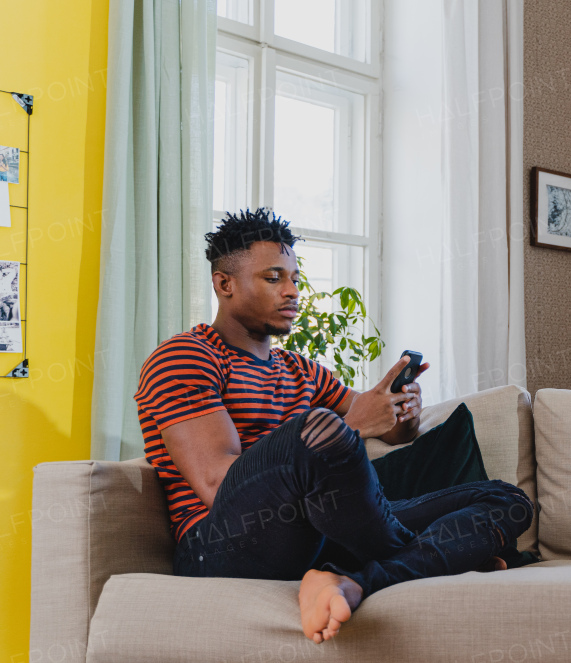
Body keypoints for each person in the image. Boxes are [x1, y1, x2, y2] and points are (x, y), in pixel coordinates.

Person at [134, 208, 532, 644]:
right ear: (224, 284)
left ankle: (352, 580)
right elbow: (215, 483)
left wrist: (401, 412)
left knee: (507, 500)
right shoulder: (185, 357)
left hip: (321, 537)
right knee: (317, 428)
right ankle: (434, 555)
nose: (293, 292)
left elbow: (384, 430)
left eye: (296, 279)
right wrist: (349, 428)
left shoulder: (301, 370)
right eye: (274, 278)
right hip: (220, 546)